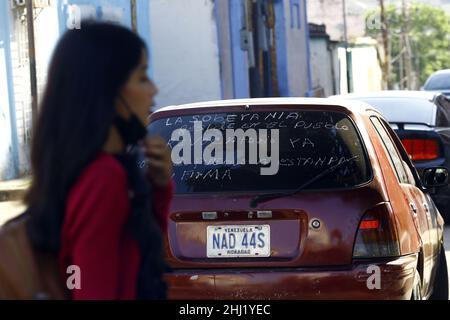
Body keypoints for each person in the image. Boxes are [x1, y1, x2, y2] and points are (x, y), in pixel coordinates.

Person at [23, 21, 174, 300]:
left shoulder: (102, 171)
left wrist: (160, 186)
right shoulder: (103, 179)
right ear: (108, 91)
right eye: (142, 77)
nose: (154, 90)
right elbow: (93, 289)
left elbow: (137, 259)